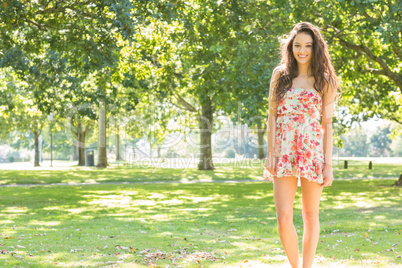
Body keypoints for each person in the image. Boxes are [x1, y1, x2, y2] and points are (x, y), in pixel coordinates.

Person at [263, 22, 342, 268]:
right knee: (284, 218)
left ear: (315, 48)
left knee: (310, 215)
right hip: (284, 151)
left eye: (307, 45)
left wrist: (328, 164)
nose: (302, 50)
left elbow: (327, 124)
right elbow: (272, 117)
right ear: (291, 47)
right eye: (297, 45)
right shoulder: (280, 75)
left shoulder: (325, 80)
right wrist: (270, 154)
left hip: (312, 153)